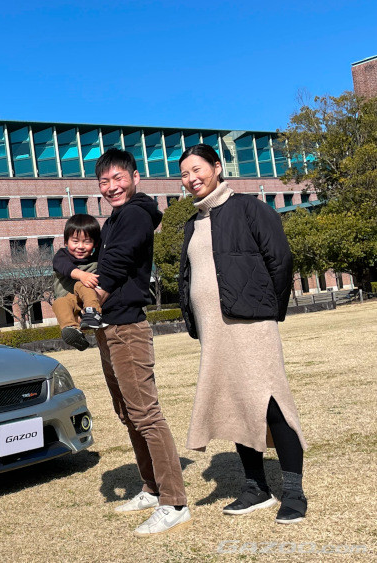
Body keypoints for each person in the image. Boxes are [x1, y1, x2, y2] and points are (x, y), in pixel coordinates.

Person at [177, 143, 308, 524]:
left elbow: (280, 262)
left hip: (252, 324)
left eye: (197, 169)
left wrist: (267, 311)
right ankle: (255, 487)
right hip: (214, 330)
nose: (191, 179)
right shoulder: (193, 222)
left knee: (270, 401)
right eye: (184, 174)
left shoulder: (251, 209)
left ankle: (293, 492)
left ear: (217, 167)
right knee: (235, 401)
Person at [91, 148, 190, 536]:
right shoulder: (116, 217)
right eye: (104, 181)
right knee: (128, 413)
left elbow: (113, 266)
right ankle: (151, 488)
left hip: (127, 327)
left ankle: (174, 501)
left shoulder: (134, 213)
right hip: (109, 327)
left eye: (119, 178)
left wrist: (91, 302)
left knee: (145, 414)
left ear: (135, 178)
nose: (112, 186)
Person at [51, 213, 105, 351]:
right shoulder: (62, 255)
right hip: (68, 301)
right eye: (75, 241)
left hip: (86, 299)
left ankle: (92, 312)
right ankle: (72, 330)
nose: (80, 246)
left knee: (84, 285)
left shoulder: (96, 261)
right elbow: (64, 267)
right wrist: (81, 275)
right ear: (66, 242)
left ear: (95, 244)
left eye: (87, 242)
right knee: (58, 303)